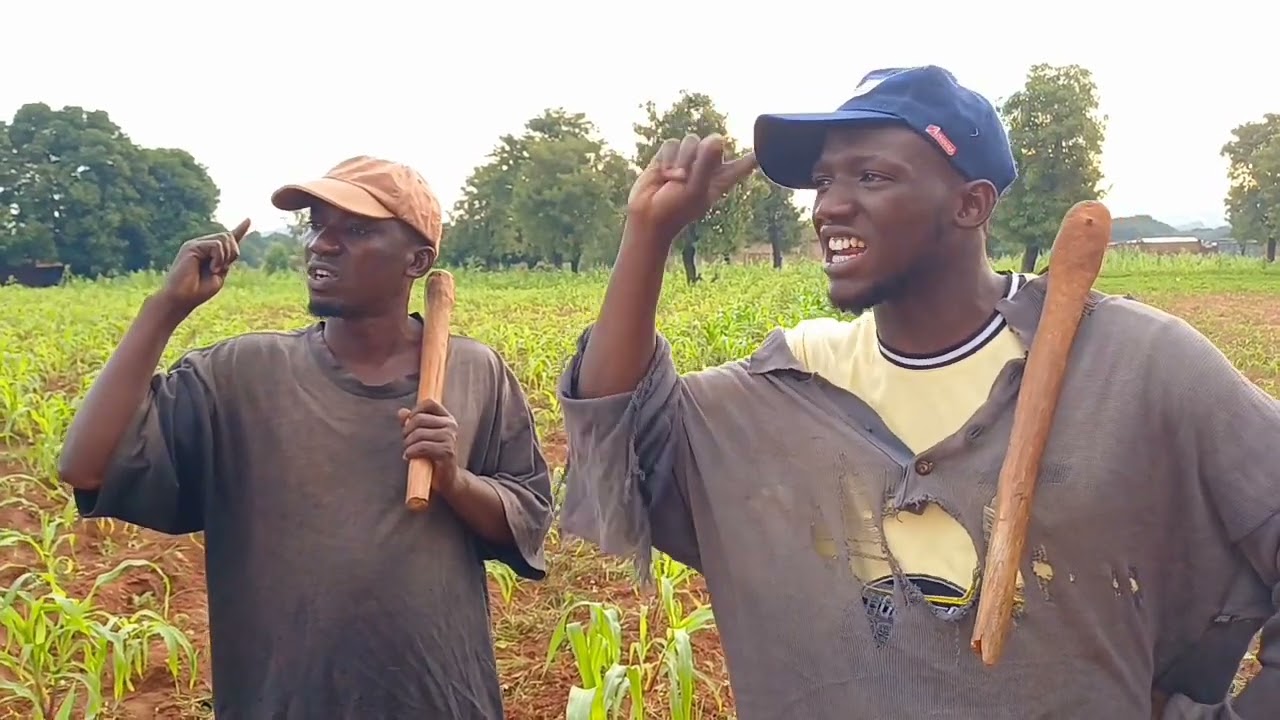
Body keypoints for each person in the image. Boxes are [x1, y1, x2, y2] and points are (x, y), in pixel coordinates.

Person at [556, 66, 1279, 719]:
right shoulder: (791, 386)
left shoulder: (1129, 364)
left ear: (970, 205)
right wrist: (647, 234)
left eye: (870, 177)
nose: (829, 206)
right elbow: (618, 443)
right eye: (824, 181)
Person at [58, 155, 555, 719]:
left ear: (416, 261)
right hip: (281, 700)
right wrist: (164, 310)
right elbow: (86, 466)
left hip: (437, 697)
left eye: (357, 230)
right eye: (317, 225)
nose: (322, 244)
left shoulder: (475, 371)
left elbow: (526, 514)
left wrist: (454, 479)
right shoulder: (241, 375)